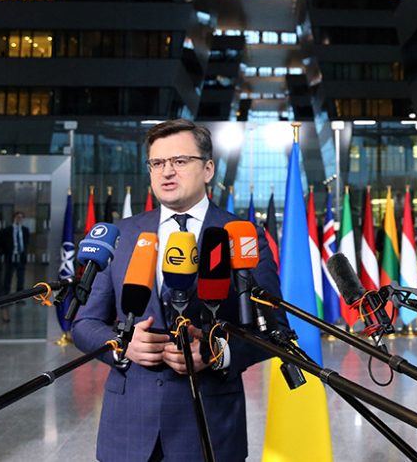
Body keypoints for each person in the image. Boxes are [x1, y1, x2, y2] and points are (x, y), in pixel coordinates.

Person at [73, 119, 283, 462]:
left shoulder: (241, 234)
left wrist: (218, 353)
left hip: (209, 430)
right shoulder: (122, 235)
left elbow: (275, 330)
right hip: (128, 431)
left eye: (180, 161)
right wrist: (121, 345)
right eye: (158, 163)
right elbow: (85, 324)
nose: (167, 172)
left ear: (208, 169)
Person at [0, 211, 30, 296]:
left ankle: (19, 296)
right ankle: (5, 295)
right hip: (10, 256)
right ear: (14, 218)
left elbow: (26, 243)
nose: (19, 219)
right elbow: (3, 243)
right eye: (18, 217)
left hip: (21, 257)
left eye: (21, 217)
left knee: (21, 278)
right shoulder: (7, 230)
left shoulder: (25, 230)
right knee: (8, 277)